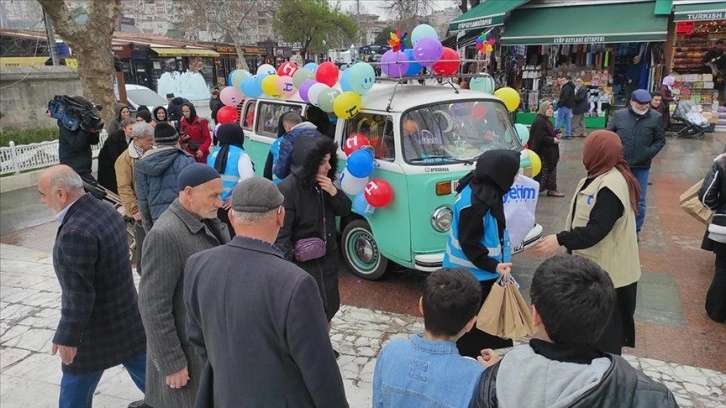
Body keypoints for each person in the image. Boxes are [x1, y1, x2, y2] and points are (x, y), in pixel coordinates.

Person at [184, 177, 348, 407]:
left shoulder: (197, 265)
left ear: (231, 216)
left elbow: (197, 338)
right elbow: (320, 370)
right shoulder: (297, 283)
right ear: (281, 216)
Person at [473, 255, 678, 408]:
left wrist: (503, 369)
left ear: (535, 315)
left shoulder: (492, 383)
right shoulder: (652, 397)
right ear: (604, 318)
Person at [38, 165, 148, 408]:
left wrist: (68, 336)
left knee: (74, 389)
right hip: (126, 316)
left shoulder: (75, 231)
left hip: (92, 330)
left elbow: (78, 293)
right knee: (153, 380)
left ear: (60, 193)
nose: (42, 201)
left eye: (42, 194)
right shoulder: (104, 210)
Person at [535, 130, 641, 354]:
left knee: (604, 336)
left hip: (611, 275)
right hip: (597, 269)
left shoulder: (611, 186)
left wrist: (560, 239)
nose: (584, 152)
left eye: (588, 148)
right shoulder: (597, 175)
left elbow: (596, 231)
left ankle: (601, 375)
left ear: (599, 153)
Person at [139, 164, 230, 408]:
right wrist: (172, 363)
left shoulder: (207, 220)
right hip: (187, 358)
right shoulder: (165, 235)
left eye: (220, 194)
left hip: (209, 349)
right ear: (188, 193)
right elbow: (153, 306)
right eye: (213, 195)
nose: (220, 202)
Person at [442, 149, 520, 357]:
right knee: (477, 331)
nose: (516, 178)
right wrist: (494, 265)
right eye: (513, 174)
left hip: (483, 274)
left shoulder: (485, 190)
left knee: (487, 329)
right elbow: (469, 244)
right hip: (472, 277)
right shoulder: (475, 205)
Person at [372, 268, 485, 407]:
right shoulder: (476, 376)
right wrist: (495, 374)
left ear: (421, 305)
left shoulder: (390, 352)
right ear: (470, 324)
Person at [275, 136, 352, 326]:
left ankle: (324, 346)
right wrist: (286, 269)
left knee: (330, 305)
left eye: (329, 161)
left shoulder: (326, 184)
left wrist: (334, 193)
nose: (328, 167)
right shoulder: (288, 189)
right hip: (303, 263)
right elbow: (282, 234)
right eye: (322, 162)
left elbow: (345, 210)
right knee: (308, 311)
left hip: (328, 257)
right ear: (308, 163)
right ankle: (312, 350)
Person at [607, 89, 665, 235]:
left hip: (642, 166)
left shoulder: (656, 117)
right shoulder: (619, 115)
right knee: (615, 196)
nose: (644, 106)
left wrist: (648, 153)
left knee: (640, 200)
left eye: (646, 103)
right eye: (641, 104)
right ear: (632, 102)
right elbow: (608, 135)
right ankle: (614, 226)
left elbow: (660, 140)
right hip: (620, 165)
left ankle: (635, 230)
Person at [135, 122, 195, 232]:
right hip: (186, 220)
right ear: (176, 140)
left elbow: (142, 201)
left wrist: (149, 230)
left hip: (158, 222)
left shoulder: (142, 165)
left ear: (156, 141)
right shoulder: (187, 160)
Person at [115, 122, 155, 275]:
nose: (152, 143)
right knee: (144, 244)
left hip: (154, 204)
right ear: (137, 139)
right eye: (148, 140)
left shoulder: (153, 151)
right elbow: (124, 187)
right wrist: (133, 209)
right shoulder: (124, 160)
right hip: (140, 208)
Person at [207, 123, 255, 236]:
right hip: (231, 205)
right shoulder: (240, 154)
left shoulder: (213, 154)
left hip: (213, 204)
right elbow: (248, 179)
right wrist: (235, 197)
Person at [699, 148, 726, 323]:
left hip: (724, 227)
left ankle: (716, 311)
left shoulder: (722, 163)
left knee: (722, 268)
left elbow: (706, 196)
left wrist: (719, 210)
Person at [273, 111, 321, 180]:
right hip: (315, 181)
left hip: (295, 182)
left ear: (287, 126)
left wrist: (275, 168)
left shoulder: (288, 140)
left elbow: (280, 171)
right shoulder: (319, 135)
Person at [529, 101, 563, 197]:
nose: (551, 110)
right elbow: (540, 137)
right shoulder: (540, 121)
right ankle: (543, 189)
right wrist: (553, 140)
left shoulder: (545, 121)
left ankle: (551, 189)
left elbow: (547, 133)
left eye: (552, 108)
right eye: (548, 108)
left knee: (550, 171)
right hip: (543, 153)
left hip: (548, 152)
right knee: (544, 172)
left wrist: (555, 134)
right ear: (544, 109)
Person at [98, 117, 134, 193]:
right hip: (108, 163)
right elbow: (113, 154)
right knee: (110, 183)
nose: (133, 131)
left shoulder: (133, 138)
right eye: (131, 129)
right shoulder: (115, 137)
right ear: (124, 128)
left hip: (120, 161)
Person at [263, 110, 298, 183]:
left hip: (278, 187)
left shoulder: (276, 143)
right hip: (297, 188)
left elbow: (267, 173)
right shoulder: (306, 140)